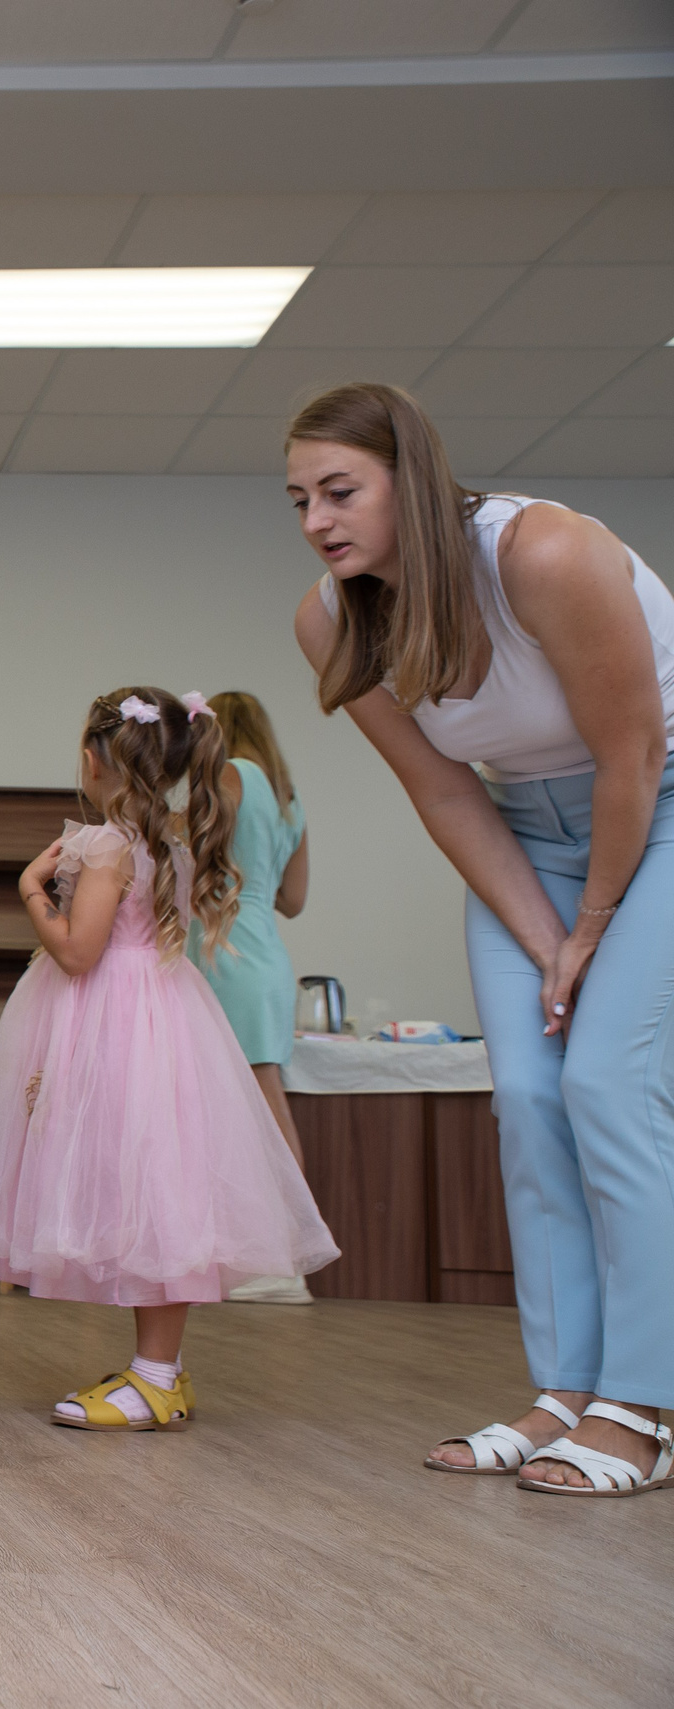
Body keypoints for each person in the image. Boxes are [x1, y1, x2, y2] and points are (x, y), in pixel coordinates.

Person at [288, 382, 674, 1496]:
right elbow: (447, 795)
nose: (316, 519)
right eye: (298, 497)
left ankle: (644, 1403)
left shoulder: (542, 552)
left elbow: (631, 758)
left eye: (340, 490)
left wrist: (589, 927)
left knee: (607, 1082)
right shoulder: (330, 615)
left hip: (653, 808)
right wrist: (542, 928)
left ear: (410, 475)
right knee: (531, 1096)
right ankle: (565, 1387)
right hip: (522, 835)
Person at [0, 689, 338, 1432]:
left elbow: (78, 950)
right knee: (157, 1183)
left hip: (114, 1019)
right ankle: (162, 1367)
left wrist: (31, 890)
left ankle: (156, 1375)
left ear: (94, 761)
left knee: (147, 1189)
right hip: (160, 1013)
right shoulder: (170, 843)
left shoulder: (107, 846)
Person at [192, 690, 316, 1305]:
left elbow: (197, 851)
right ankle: (282, 1256)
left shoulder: (232, 776)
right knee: (268, 1102)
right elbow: (294, 900)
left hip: (226, 954)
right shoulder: (288, 799)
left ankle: (278, 1261)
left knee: (250, 1108)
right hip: (266, 955)